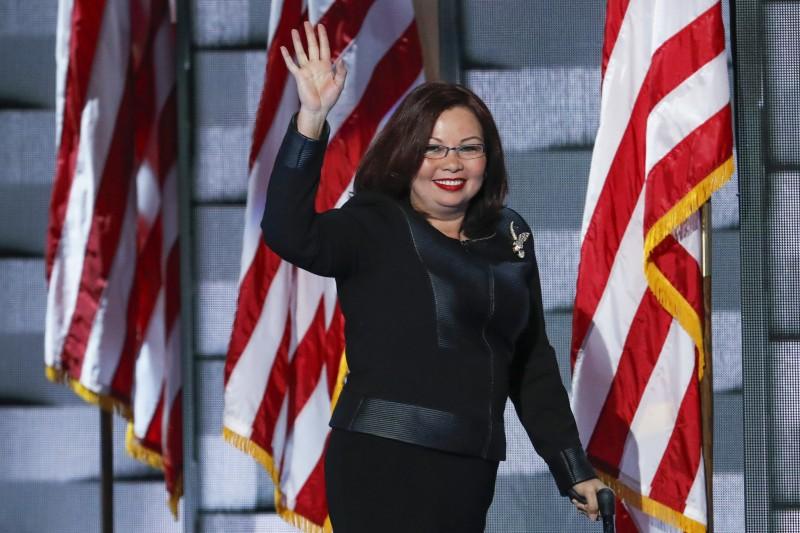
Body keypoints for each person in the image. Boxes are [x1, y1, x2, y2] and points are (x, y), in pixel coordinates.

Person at [264, 21, 608, 532]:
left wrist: (570, 464)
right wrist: (311, 118)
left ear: (487, 158)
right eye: (433, 148)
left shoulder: (510, 235)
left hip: (471, 470)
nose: (452, 163)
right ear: (407, 155)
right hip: (381, 463)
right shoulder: (372, 224)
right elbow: (287, 232)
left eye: (468, 147)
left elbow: (530, 360)